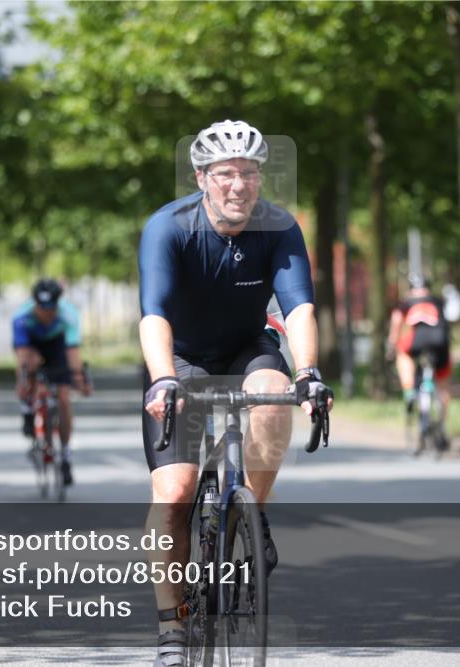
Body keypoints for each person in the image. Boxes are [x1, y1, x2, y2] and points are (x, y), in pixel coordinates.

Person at [139, 119, 333, 667]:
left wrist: (309, 372)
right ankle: (172, 629)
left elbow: (297, 307)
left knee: (274, 394)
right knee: (174, 494)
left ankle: (250, 512)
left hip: (249, 345)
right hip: (180, 357)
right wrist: (162, 378)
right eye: (226, 173)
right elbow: (153, 312)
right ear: (203, 178)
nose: (238, 185)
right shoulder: (168, 227)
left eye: (248, 173)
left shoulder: (280, 227)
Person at [12, 279, 91, 486]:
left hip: (57, 346)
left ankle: (65, 455)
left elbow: (72, 352)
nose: (47, 313)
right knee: (30, 366)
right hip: (32, 343)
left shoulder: (69, 315)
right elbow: (21, 356)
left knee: (64, 398)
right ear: (34, 303)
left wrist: (80, 379)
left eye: (51, 308)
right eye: (42, 308)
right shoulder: (21, 317)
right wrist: (22, 382)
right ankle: (28, 408)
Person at [387, 274, 452, 419]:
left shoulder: (407, 302)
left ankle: (409, 392)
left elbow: (396, 320)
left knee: (402, 354)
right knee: (443, 384)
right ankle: (442, 426)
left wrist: (392, 344)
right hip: (440, 340)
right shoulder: (437, 301)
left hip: (417, 338)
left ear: (411, 289)